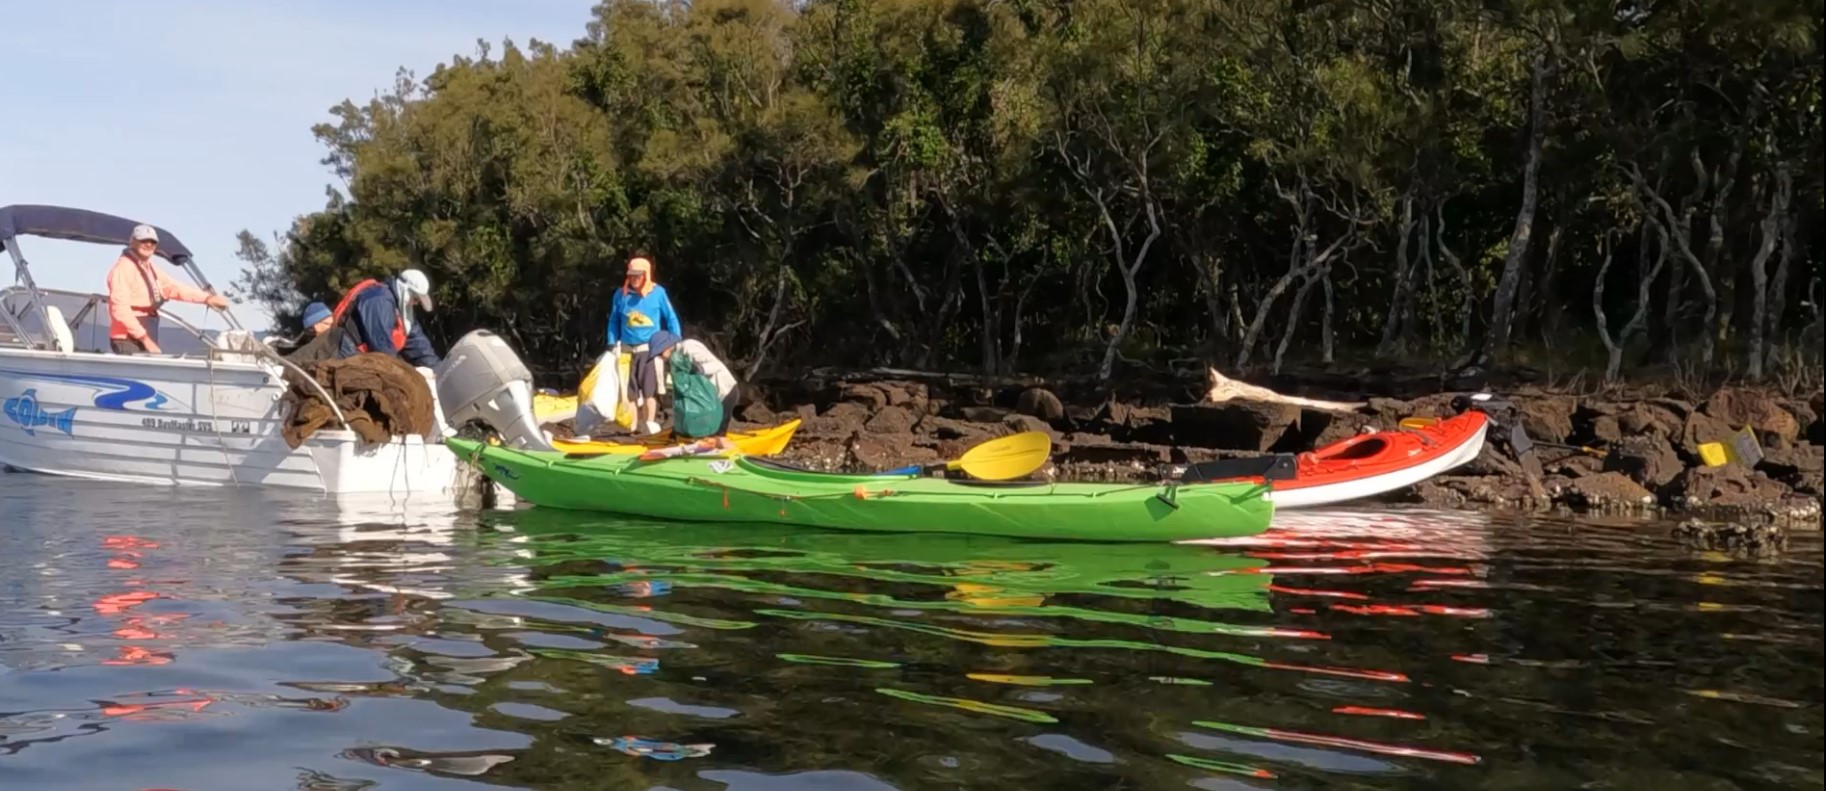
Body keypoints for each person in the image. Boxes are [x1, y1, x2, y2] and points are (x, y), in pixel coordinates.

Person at [106, 224, 229, 354]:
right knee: (137, 373)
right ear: (133, 241)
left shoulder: (149, 268)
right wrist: (145, 339)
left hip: (145, 331)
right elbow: (120, 310)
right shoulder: (123, 269)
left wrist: (207, 298)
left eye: (153, 242)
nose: (148, 244)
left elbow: (174, 288)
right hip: (128, 338)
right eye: (143, 240)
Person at [604, 254, 681, 434]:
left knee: (649, 392)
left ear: (646, 275)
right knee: (629, 393)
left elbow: (671, 319)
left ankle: (649, 426)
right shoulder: (620, 294)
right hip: (625, 351)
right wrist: (610, 342)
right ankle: (632, 429)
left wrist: (671, 343)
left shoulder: (658, 293)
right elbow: (614, 320)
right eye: (631, 275)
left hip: (650, 350)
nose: (635, 279)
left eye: (638, 275)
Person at [330, 268, 441, 367]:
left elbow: (417, 342)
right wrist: (400, 372)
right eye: (415, 299)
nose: (415, 304)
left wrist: (437, 369)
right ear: (405, 291)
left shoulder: (403, 310)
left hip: (367, 359)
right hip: (346, 356)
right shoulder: (379, 300)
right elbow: (382, 346)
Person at [645, 330, 739, 441]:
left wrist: (700, 368)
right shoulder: (675, 359)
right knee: (700, 433)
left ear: (666, 346)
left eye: (659, 353)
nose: (660, 358)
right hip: (707, 398)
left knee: (717, 436)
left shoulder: (688, 347)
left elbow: (717, 365)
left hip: (725, 392)